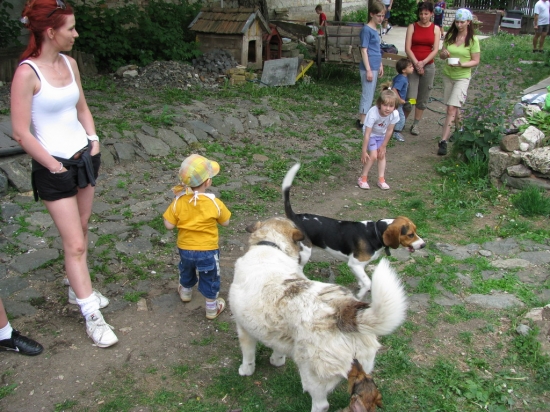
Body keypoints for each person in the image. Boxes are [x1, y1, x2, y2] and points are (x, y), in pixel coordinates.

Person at [10, 0, 118, 348]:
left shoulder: (70, 64)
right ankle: (92, 316)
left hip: (84, 158)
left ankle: (76, 289)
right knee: (73, 243)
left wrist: (94, 140)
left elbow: (82, 107)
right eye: (70, 28)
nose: (76, 33)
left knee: (82, 231)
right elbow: (21, 132)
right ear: (50, 31)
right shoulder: (27, 73)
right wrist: (54, 164)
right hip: (54, 167)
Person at [163, 154, 231, 320]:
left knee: (186, 269)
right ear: (207, 182)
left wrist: (174, 204)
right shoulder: (214, 202)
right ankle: (211, 308)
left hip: (185, 248)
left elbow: (169, 225)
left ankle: (185, 292)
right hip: (207, 250)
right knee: (210, 277)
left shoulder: (179, 202)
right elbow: (226, 222)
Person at [438, 8, 480, 156]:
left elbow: (476, 61)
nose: (459, 24)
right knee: (455, 106)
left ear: (468, 22)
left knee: (450, 108)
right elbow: (442, 55)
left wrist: (462, 64)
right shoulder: (450, 36)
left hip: (462, 76)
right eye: (457, 21)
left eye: (462, 22)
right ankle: (460, 129)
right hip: (448, 74)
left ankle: (443, 141)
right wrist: (443, 54)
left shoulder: (473, 40)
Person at [404, 2, 441, 137]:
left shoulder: (436, 29)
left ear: (431, 14)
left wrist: (424, 62)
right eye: (421, 13)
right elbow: (407, 48)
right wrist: (416, 63)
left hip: (428, 66)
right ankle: (402, 121)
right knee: (411, 96)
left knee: (423, 96)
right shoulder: (412, 27)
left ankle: (416, 124)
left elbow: (435, 49)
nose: (423, 16)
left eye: (426, 14)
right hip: (412, 66)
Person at [357, 84, 399, 190]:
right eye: (385, 105)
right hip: (371, 134)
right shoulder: (373, 113)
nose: (388, 109)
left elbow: (390, 130)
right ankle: (363, 178)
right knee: (373, 155)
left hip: (381, 134)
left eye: (391, 106)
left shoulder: (395, 114)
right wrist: (363, 151)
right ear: (380, 104)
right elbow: (367, 133)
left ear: (395, 107)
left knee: (381, 155)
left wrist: (384, 146)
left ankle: (381, 179)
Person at [356, 0, 386, 130]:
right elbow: (364, 50)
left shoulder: (376, 29)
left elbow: (376, 49)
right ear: (372, 14)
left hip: (375, 64)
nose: (381, 18)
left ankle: (364, 118)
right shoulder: (366, 30)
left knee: (371, 92)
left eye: (383, 16)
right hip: (368, 66)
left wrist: (380, 64)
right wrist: (368, 69)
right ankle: (362, 121)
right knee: (367, 93)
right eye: (378, 15)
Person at [391, 58, 414, 142]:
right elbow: (394, 89)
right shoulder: (401, 79)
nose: (413, 68)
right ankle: (396, 132)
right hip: (397, 102)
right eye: (410, 67)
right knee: (401, 118)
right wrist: (399, 99)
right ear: (404, 70)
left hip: (396, 101)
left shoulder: (402, 77)